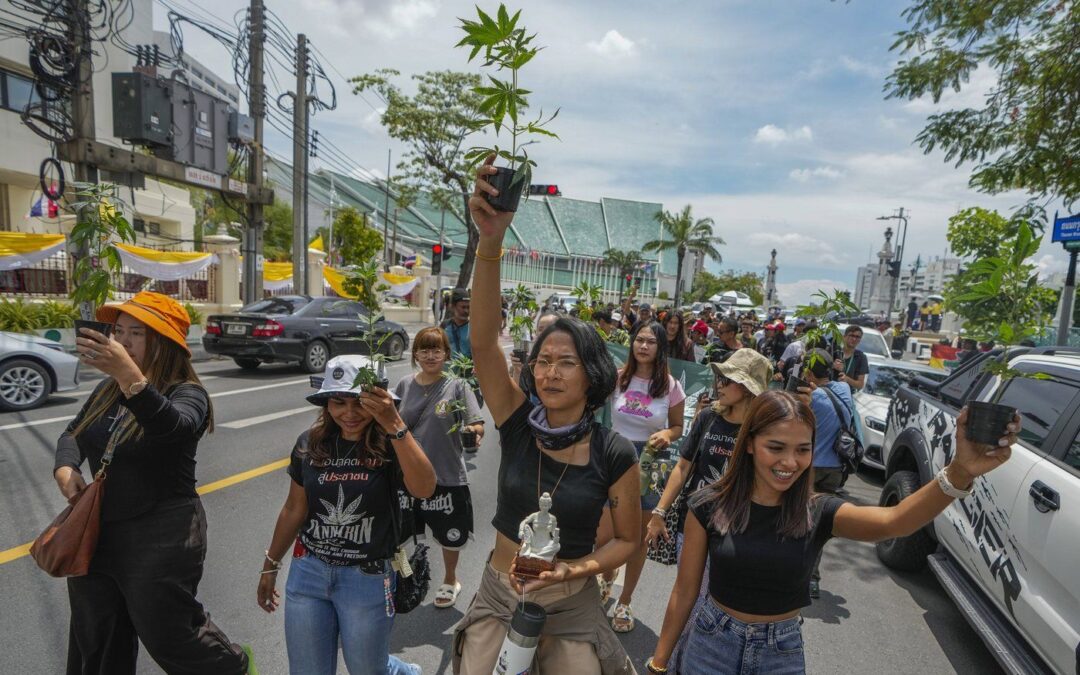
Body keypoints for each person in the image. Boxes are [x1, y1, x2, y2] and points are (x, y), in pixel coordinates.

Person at [646, 389, 1019, 674]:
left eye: (803, 449)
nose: (789, 462)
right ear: (749, 447)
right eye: (775, 447)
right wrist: (659, 663)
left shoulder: (817, 511)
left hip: (782, 649)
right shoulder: (707, 504)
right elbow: (684, 592)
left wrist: (961, 472)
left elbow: (896, 522)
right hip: (712, 642)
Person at [455, 156, 640, 674]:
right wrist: (489, 242)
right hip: (499, 596)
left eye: (566, 362)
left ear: (593, 375)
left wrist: (572, 570)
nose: (550, 373)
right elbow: (484, 345)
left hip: (572, 605)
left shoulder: (615, 452)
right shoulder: (515, 420)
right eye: (542, 361)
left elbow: (627, 538)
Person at [54, 291, 253, 675]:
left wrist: (130, 376)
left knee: (169, 635)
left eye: (137, 334)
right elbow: (71, 435)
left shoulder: (188, 393)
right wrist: (67, 471)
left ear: (162, 343)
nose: (122, 341)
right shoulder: (106, 389)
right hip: (98, 530)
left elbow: (172, 430)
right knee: (95, 636)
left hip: (161, 534)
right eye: (119, 331)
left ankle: (235, 667)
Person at [257, 355, 436, 675]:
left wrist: (395, 425)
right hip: (308, 574)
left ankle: (403, 672)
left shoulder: (392, 444)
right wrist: (270, 565)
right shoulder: (310, 443)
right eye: (339, 403)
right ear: (326, 404)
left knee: (369, 670)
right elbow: (294, 508)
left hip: (366, 579)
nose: (349, 413)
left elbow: (424, 488)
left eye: (359, 403)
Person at [598, 320, 686, 632]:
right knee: (604, 533)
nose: (644, 346)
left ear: (661, 348)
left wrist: (667, 434)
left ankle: (625, 600)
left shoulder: (672, 386)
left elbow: (678, 427)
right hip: (615, 457)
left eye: (651, 342)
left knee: (637, 538)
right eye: (640, 340)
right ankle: (606, 577)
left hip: (653, 463)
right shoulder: (618, 378)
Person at [645, 349, 772, 555]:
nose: (719, 385)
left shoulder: (762, 428)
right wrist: (659, 512)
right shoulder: (708, 417)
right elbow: (683, 466)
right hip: (692, 520)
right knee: (687, 585)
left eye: (727, 380)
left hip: (736, 527)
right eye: (719, 378)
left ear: (748, 388)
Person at [394, 327, 484, 609]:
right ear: (415, 354)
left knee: (449, 534)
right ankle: (403, 578)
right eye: (424, 349)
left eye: (437, 350)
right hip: (406, 476)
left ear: (447, 353)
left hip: (445, 475)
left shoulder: (457, 386)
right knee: (401, 532)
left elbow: (476, 422)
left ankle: (450, 580)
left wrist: (473, 432)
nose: (430, 356)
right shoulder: (404, 386)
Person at [801, 348, 854, 598]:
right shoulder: (844, 390)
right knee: (819, 522)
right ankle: (812, 578)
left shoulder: (812, 399)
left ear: (809, 372)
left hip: (811, 468)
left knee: (799, 518)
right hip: (835, 468)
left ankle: (796, 571)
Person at [834, 325, 869, 392]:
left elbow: (860, 385)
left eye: (857, 337)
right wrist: (832, 365)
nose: (854, 339)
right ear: (844, 337)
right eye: (852, 335)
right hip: (829, 392)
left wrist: (847, 379)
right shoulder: (834, 351)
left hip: (847, 394)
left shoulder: (861, 357)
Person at [442, 288, 472, 358]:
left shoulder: (474, 328)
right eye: (463, 307)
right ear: (452, 307)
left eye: (468, 307)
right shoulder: (444, 326)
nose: (466, 311)